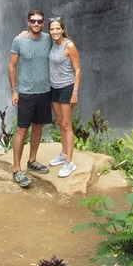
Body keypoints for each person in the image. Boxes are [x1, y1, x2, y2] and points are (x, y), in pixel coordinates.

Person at [8, 8, 54, 186]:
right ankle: (17, 169)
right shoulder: (19, 40)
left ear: (43, 23)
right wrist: (14, 90)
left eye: (39, 21)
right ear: (28, 22)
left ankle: (32, 160)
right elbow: (12, 66)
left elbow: (62, 40)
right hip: (26, 92)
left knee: (38, 127)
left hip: (44, 91)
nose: (36, 24)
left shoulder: (48, 39)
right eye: (33, 21)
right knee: (22, 129)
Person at [45, 17, 82, 178]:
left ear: (62, 29)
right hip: (54, 87)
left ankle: (70, 162)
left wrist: (75, 92)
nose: (54, 32)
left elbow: (78, 70)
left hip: (66, 88)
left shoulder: (69, 46)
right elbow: (35, 36)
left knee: (67, 124)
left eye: (57, 29)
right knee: (60, 121)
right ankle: (63, 153)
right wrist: (24, 33)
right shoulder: (52, 43)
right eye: (52, 29)